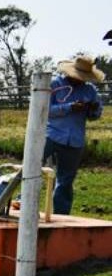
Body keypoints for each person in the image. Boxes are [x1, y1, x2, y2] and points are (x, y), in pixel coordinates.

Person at [44, 55, 105, 215]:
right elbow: (45, 111)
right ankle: (21, 202)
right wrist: (70, 107)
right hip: (51, 135)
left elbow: (95, 115)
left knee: (65, 180)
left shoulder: (90, 90)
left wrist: (93, 109)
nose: (81, 81)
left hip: (75, 141)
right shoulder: (55, 85)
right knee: (31, 170)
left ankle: (61, 216)